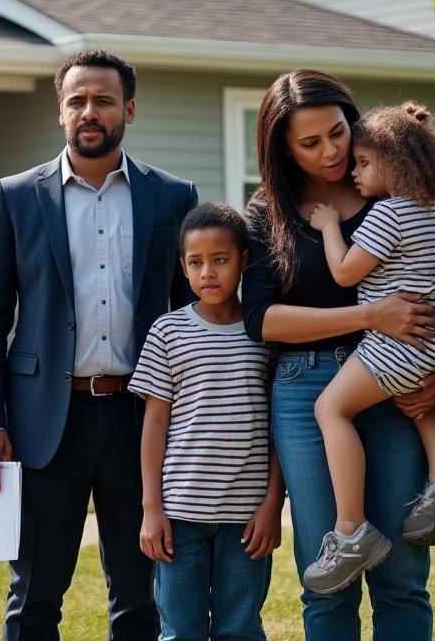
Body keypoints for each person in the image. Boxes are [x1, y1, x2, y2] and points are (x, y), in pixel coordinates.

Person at [0, 48, 198, 640]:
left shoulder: (173, 197)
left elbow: (191, 313)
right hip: (45, 422)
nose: (89, 111)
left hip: (141, 420)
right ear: (61, 111)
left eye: (103, 100)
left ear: (129, 110)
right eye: (77, 101)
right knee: (33, 595)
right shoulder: (16, 196)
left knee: (140, 597)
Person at [241, 69, 435, 640]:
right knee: (328, 586)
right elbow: (261, 320)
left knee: (402, 578)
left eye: (338, 132)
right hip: (305, 392)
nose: (330, 151)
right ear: (284, 149)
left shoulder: (395, 195)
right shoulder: (268, 212)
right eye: (310, 142)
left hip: (394, 388)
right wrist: (369, 316)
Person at [300, 103, 435, 595]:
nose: (354, 171)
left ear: (395, 164)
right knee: (424, 407)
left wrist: (329, 226)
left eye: (363, 162)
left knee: (331, 409)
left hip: (397, 342)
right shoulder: (433, 213)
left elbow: (344, 273)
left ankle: (351, 529)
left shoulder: (388, 213)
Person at [133, 201, 283, 641]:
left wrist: (273, 503)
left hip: (248, 519)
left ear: (244, 260)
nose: (208, 273)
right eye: (196, 262)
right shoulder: (167, 331)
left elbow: (280, 426)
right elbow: (154, 426)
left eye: (220, 260)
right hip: (179, 516)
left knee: (241, 630)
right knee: (181, 631)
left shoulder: (265, 333)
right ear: (183, 267)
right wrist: (151, 508)